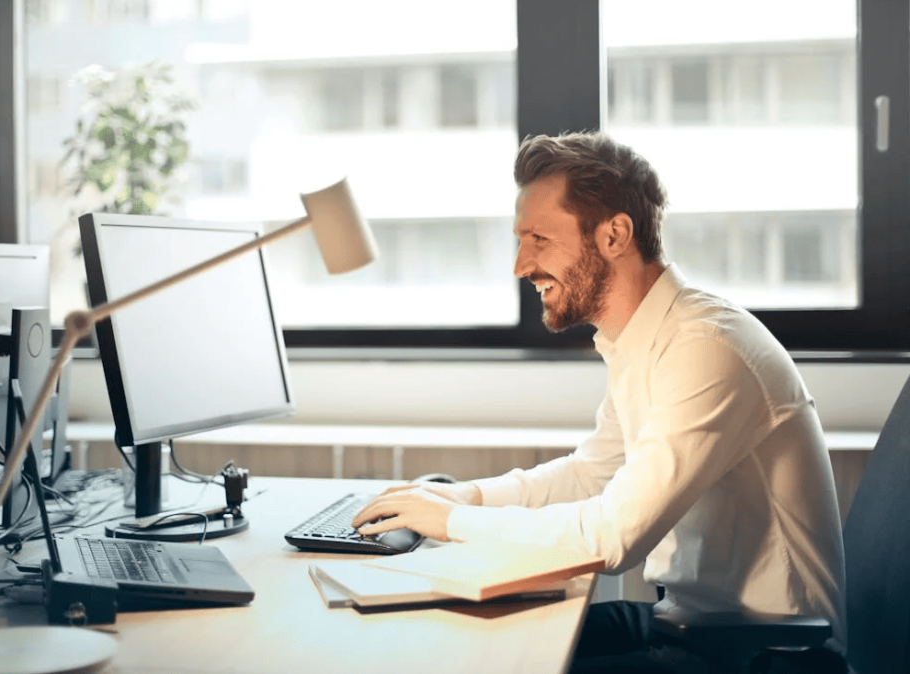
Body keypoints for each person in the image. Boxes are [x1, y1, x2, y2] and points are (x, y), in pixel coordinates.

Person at [352, 131, 847, 673]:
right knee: (461, 636)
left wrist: (450, 521)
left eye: (539, 238)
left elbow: (613, 536)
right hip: (688, 624)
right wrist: (465, 497)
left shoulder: (707, 349)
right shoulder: (644, 339)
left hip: (762, 652)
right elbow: (593, 474)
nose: (521, 265)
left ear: (615, 235)